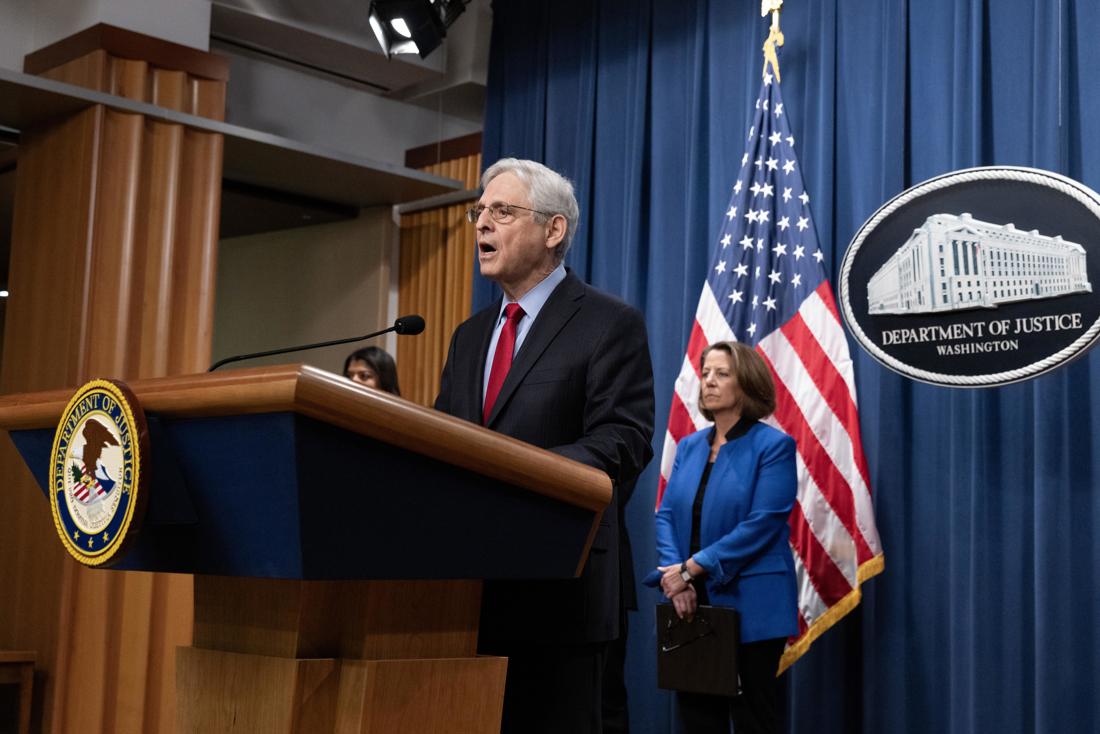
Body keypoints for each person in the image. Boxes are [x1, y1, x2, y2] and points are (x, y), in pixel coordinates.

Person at [434, 157, 655, 734]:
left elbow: (623, 441)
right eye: (478, 212)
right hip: (466, 595)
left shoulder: (609, 323)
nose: (482, 223)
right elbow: (440, 439)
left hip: (563, 592)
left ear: (554, 230)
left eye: (502, 211)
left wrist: (514, 473)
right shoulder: (469, 336)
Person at [651, 341, 798, 734]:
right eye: (705, 374)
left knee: (754, 719)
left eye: (722, 374)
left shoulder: (774, 446)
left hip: (752, 604)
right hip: (689, 601)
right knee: (697, 718)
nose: (709, 382)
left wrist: (691, 568)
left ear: (746, 383)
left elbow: (763, 523)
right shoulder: (688, 446)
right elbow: (666, 516)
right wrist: (676, 578)